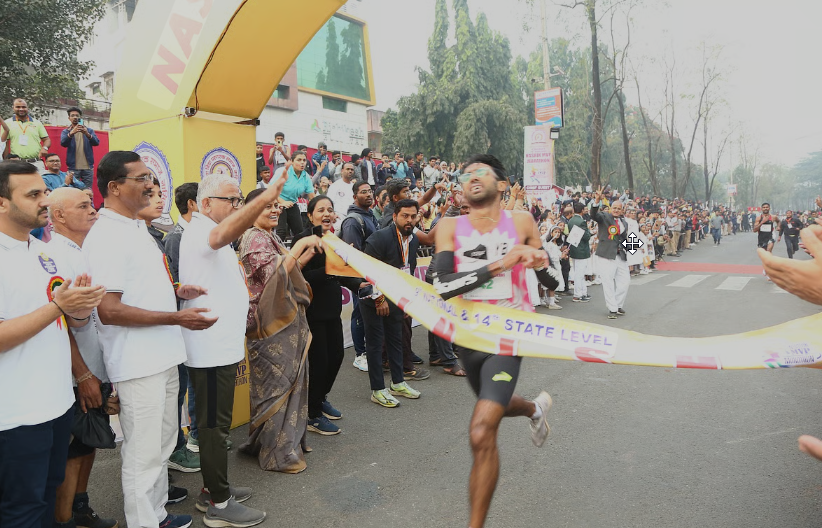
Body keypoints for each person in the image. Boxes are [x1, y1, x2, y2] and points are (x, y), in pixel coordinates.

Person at [84, 151, 217, 528]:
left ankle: (156, 514)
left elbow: (137, 289)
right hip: (137, 363)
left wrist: (177, 290)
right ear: (114, 187)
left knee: (161, 445)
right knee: (142, 456)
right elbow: (108, 309)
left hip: (163, 355)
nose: (150, 185)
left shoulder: (136, 227)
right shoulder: (107, 235)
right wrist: (176, 316)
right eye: (141, 178)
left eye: (151, 177)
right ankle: (144, 522)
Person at [431, 154, 554, 528]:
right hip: (468, 336)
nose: (471, 177)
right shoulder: (448, 226)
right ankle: (535, 409)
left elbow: (552, 282)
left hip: (508, 334)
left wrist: (540, 262)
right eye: (465, 174)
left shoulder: (522, 221)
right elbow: (443, 286)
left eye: (481, 172)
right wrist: (502, 263)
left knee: (482, 429)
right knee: (493, 403)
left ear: (502, 185)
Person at [0, 161, 106, 528]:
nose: (44, 200)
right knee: (22, 510)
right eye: (33, 195)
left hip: (56, 405)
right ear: (1, 203)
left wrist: (79, 308)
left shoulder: (44, 253)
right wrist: (60, 306)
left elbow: (61, 321)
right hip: (15, 417)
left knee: (47, 498)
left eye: (44, 192)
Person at [179, 174, 279, 527]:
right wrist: (264, 197)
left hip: (219, 346)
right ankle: (218, 505)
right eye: (232, 201)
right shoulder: (203, 232)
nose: (238, 207)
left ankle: (212, 489)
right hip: (209, 349)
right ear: (205, 204)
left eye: (240, 201)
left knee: (216, 424)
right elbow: (224, 234)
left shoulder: (210, 234)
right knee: (213, 427)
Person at [47, 188, 118, 528]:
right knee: (73, 450)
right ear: (58, 216)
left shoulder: (84, 250)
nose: (93, 210)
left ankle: (81, 508)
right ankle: (64, 520)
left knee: (90, 442)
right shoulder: (55, 256)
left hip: (96, 366)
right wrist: (83, 375)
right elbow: (63, 323)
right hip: (77, 373)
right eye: (83, 206)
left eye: (92, 203)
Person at [238, 189, 323, 473]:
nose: (274, 211)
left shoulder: (269, 235)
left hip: (284, 322)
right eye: (267, 207)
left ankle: (276, 443)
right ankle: (277, 452)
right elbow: (272, 277)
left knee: (289, 383)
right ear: (251, 210)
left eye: (276, 206)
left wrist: (305, 254)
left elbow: (286, 271)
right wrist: (299, 246)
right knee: (276, 387)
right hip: (268, 326)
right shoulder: (253, 237)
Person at [294, 196, 362, 434]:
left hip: (333, 311)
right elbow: (300, 278)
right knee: (319, 363)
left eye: (330, 210)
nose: (326, 213)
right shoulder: (302, 240)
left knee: (336, 359)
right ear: (310, 214)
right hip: (312, 313)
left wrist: (359, 285)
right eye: (320, 210)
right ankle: (312, 415)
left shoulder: (333, 240)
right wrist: (332, 268)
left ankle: (320, 399)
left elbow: (341, 274)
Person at [360, 199, 426, 407]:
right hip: (374, 299)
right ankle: (378, 389)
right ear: (395, 216)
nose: (409, 220)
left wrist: (406, 302)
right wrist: (378, 299)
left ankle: (398, 383)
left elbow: (409, 272)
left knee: (396, 339)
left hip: (397, 297)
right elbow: (366, 273)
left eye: (413, 216)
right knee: (375, 343)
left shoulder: (413, 239)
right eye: (405, 216)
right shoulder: (378, 239)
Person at [162, 182, 203, 476]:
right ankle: (178, 448)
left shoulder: (197, 235)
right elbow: (174, 286)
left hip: (194, 324)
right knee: (179, 387)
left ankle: (194, 440)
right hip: (179, 325)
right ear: (192, 203)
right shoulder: (176, 237)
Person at [339, 180, 379, 372]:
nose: (369, 194)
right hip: (361, 278)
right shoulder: (353, 221)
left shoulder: (370, 215)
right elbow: (351, 256)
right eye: (364, 192)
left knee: (369, 316)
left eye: (370, 191)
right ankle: (360, 354)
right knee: (359, 316)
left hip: (374, 275)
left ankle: (370, 352)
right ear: (355, 196)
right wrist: (359, 282)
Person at [590, 185, 630, 319]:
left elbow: (624, 238)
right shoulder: (604, 217)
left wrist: (637, 251)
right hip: (606, 255)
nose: (617, 210)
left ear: (622, 210)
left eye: (619, 208)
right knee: (608, 282)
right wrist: (596, 201)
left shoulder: (624, 222)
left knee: (625, 282)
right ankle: (612, 309)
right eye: (614, 208)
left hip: (620, 255)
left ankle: (618, 305)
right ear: (611, 208)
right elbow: (593, 215)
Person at [1, 99, 50, 171]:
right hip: (16, 163)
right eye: (18, 107)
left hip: (36, 162)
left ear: (27, 108)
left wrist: (45, 148)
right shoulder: (7, 123)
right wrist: (6, 162)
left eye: (23, 107)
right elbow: (4, 144)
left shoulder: (37, 123)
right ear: (13, 108)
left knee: (39, 182)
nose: (21, 109)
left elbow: (47, 139)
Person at [275, 154, 315, 240]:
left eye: (304, 160)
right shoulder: (283, 171)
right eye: (299, 160)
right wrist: (282, 202)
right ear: (292, 162)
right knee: (281, 232)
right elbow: (271, 190)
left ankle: (298, 252)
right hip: (277, 203)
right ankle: (276, 252)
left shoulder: (306, 176)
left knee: (300, 232)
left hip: (292, 203)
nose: (302, 163)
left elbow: (312, 196)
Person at [60, 107, 100, 189]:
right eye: (73, 115)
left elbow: (96, 142)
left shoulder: (88, 130)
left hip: (88, 167)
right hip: (73, 167)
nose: (75, 117)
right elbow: (63, 143)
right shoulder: (66, 131)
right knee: (73, 190)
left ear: (80, 117)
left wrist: (87, 134)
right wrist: (71, 133)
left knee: (88, 190)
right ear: (69, 118)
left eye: (77, 115)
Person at [567, 201, 592, 302]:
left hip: (574, 248)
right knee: (580, 273)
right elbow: (586, 236)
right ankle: (577, 294)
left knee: (578, 272)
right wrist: (589, 231)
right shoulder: (581, 222)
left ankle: (583, 292)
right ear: (582, 210)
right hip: (581, 249)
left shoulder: (571, 220)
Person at [326, 161, 357, 231]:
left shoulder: (354, 187)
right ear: (342, 171)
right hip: (338, 216)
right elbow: (328, 202)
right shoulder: (335, 185)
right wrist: (332, 214)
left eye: (352, 170)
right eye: (348, 169)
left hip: (351, 217)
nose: (350, 171)